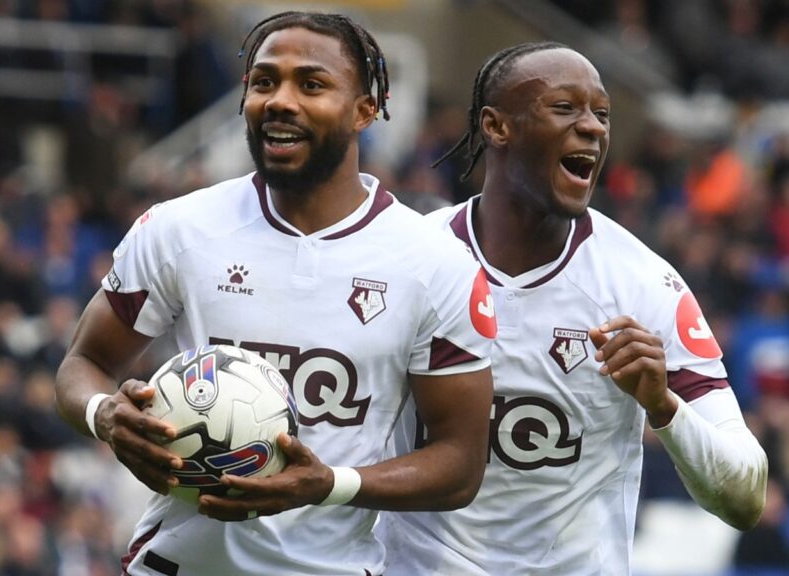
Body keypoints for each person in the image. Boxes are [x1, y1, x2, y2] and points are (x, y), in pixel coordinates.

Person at [54, 11, 497, 576]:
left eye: (311, 84)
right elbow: (83, 363)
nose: (281, 100)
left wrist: (327, 486)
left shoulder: (434, 264)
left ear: (366, 109)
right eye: (264, 82)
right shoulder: (179, 228)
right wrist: (105, 415)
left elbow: (460, 465)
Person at [379, 42, 768, 575]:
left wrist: (664, 408)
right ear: (496, 127)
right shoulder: (405, 263)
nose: (593, 128)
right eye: (565, 107)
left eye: (602, 114)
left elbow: (746, 497)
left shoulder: (642, 285)